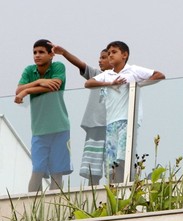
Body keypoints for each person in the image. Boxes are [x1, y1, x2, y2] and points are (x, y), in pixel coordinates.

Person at [85, 41, 165, 183]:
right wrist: (110, 84)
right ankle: (117, 189)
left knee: (125, 157)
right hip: (111, 122)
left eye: (114, 52)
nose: (110, 55)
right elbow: (88, 83)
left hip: (128, 119)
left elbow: (159, 75)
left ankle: (131, 184)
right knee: (112, 162)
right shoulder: (107, 74)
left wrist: (137, 85)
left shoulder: (133, 70)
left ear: (124, 55)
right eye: (108, 53)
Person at [14, 39, 72, 192]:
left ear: (51, 55)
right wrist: (40, 81)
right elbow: (17, 90)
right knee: (37, 169)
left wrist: (27, 91)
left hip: (60, 127)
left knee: (57, 172)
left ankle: (56, 210)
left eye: (41, 52)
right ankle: (32, 208)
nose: (37, 55)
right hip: (39, 130)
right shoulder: (29, 71)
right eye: (34, 52)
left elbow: (54, 86)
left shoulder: (59, 66)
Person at [52, 44, 112, 185]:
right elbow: (80, 64)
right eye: (100, 57)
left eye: (103, 57)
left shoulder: (123, 78)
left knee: (112, 166)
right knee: (92, 166)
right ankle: (93, 195)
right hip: (94, 125)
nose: (100, 60)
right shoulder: (97, 75)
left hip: (112, 125)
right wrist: (64, 52)